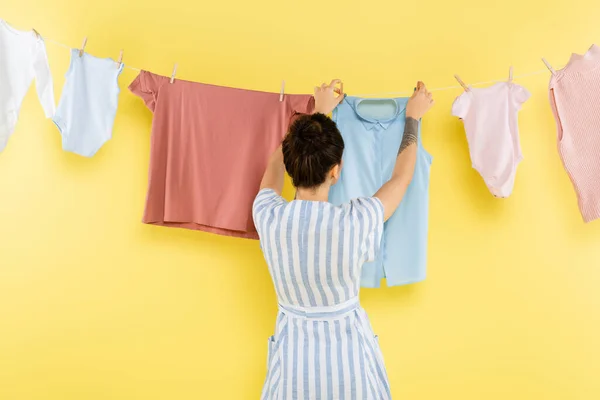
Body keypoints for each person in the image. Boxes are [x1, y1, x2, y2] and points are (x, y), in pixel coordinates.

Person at [253, 80, 434, 399]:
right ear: (336, 172)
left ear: (292, 164)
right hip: (350, 365)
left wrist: (317, 114)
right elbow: (402, 177)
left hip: (293, 366)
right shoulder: (356, 221)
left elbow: (273, 164)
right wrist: (413, 118)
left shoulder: (267, 215)